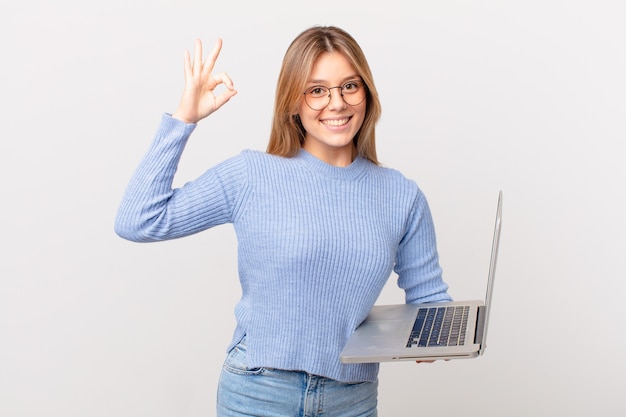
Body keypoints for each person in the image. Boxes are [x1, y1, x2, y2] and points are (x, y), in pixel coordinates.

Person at [115, 25, 451, 417]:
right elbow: (138, 219)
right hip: (259, 393)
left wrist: (439, 336)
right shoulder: (251, 175)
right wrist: (184, 118)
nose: (337, 103)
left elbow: (430, 302)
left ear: (367, 94)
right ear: (294, 102)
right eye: (317, 90)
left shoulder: (401, 195)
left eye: (349, 86)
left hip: (351, 400)